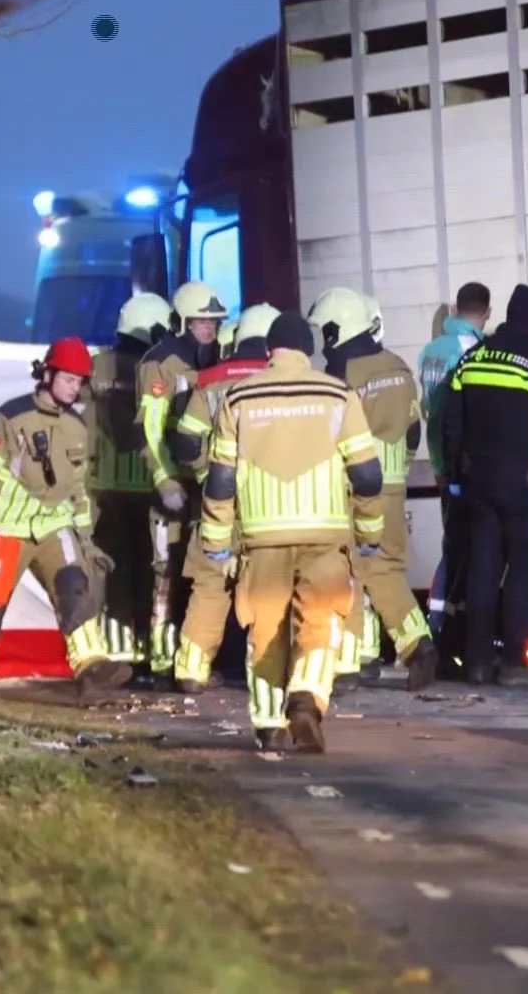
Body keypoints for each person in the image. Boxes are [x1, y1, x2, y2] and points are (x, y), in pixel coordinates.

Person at [201, 314, 384, 754]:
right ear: (309, 351)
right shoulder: (338, 395)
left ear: (269, 351)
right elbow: (367, 475)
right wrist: (368, 532)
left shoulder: (238, 397)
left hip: (262, 539)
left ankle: (268, 726)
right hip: (324, 534)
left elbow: (220, 480)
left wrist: (215, 542)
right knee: (320, 624)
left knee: (265, 633)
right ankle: (305, 694)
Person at [0, 337, 134, 700]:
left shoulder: (77, 425)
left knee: (75, 590)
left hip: (54, 526)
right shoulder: (10, 417)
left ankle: (91, 669)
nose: (74, 388)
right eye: (68, 379)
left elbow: (79, 486)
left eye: (80, 381)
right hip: (7, 529)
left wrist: (84, 536)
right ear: (47, 374)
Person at [308, 288, 435, 693]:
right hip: (393, 489)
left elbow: (326, 437)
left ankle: (347, 664)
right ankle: (416, 643)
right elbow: (413, 429)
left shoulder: (341, 374)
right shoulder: (397, 366)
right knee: (385, 571)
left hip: (352, 490)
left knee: (346, 573)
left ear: (335, 329)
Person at [168, 302, 279, 693]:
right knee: (271, 584)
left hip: (216, 502)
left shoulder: (211, 379)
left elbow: (186, 440)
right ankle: (265, 671)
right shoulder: (280, 378)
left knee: (209, 586)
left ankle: (192, 671)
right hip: (267, 506)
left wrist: (207, 476)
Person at [438, 284, 528, 685]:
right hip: (521, 480)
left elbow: (452, 421)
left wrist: (456, 470)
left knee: (483, 568)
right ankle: (515, 661)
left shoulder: (473, 357)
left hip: (477, 482)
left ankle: (478, 660)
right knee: (519, 570)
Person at [134, 281, 229, 688]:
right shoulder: (160, 363)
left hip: (209, 482)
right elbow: (148, 430)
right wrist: (164, 480)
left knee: (208, 571)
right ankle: (160, 661)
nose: (210, 328)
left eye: (214, 322)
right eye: (203, 321)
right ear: (183, 322)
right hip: (173, 483)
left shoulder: (217, 360)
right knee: (166, 572)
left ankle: (199, 658)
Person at [87, 292, 172, 666]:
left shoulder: (97, 365)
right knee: (153, 572)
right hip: (149, 485)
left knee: (114, 572)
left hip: (103, 487)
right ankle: (154, 654)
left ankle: (120, 653)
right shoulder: (155, 369)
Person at [418, 281, 490, 677]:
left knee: (451, 547)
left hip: (440, 458)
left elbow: (430, 407)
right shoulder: (469, 351)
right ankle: (449, 635)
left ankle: (438, 629)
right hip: (463, 463)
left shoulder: (430, 351)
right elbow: (462, 412)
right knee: (467, 553)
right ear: (486, 311)